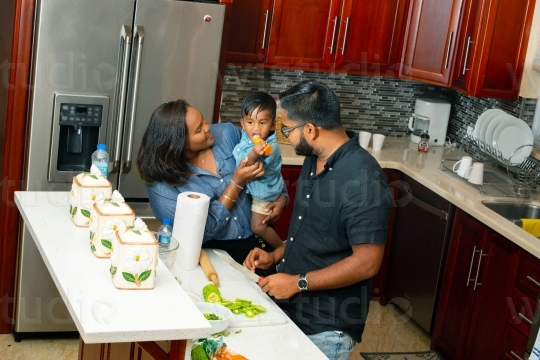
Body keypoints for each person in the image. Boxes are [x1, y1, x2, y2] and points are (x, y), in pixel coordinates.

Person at [243, 81, 394, 360]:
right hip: (291, 310)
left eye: (287, 129)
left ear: (310, 130)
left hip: (326, 328)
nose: (285, 136)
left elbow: (367, 262)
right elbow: (311, 231)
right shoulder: (315, 158)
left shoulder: (363, 179)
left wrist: (297, 282)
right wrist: (275, 255)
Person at [136, 99, 288, 266]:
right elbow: (203, 231)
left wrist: (282, 198)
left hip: (259, 243)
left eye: (203, 120)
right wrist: (236, 183)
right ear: (177, 145)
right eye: (199, 130)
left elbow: (269, 167)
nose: (208, 128)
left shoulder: (226, 134)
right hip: (213, 257)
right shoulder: (161, 186)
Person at [232, 92, 285, 249]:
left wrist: (254, 152)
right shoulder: (245, 134)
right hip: (254, 190)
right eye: (250, 122)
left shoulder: (270, 147)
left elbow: (250, 166)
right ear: (242, 123)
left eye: (262, 123)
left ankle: (282, 250)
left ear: (273, 125)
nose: (256, 129)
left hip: (266, 191)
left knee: (258, 226)